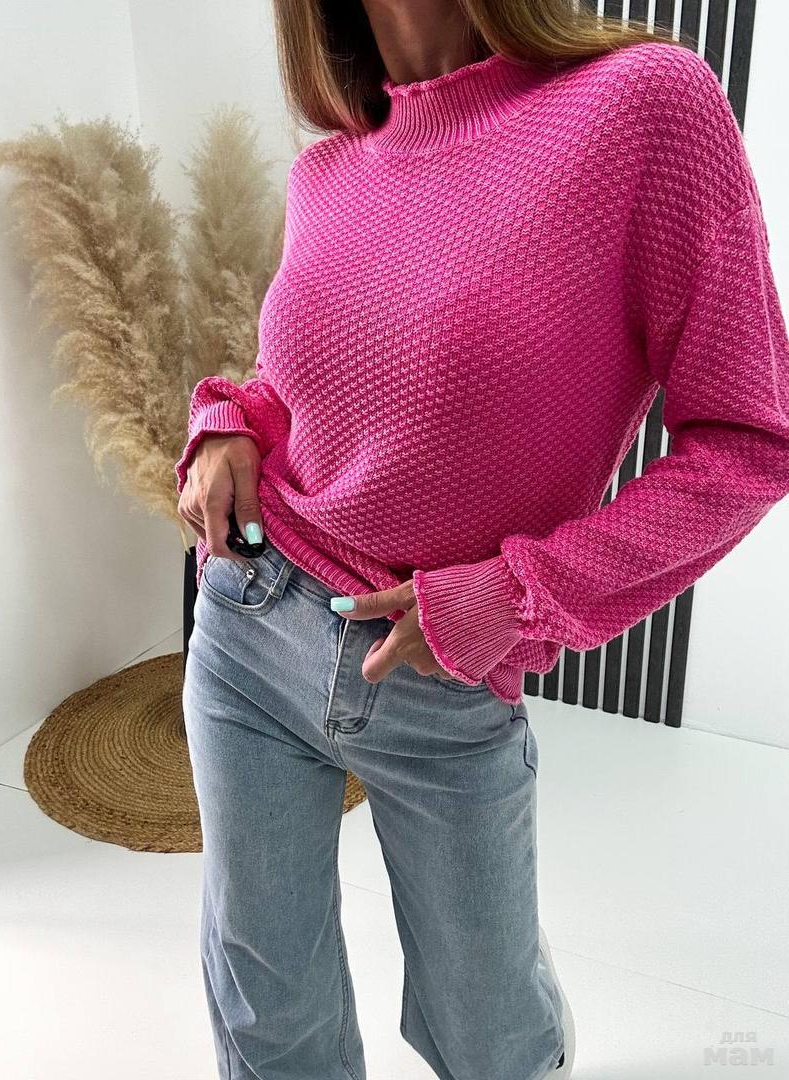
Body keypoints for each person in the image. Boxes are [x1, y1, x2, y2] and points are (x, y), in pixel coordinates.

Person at [175, 1, 789, 1077]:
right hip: (247, 624)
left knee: (490, 1036)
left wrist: (511, 597)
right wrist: (229, 420)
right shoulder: (330, 170)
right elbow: (312, 383)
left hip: (440, 677)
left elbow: (747, 441)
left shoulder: (640, 106)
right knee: (267, 1013)